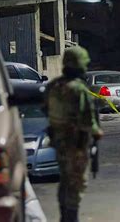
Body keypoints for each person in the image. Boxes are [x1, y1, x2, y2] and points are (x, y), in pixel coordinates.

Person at [44, 46, 104, 222]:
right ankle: (71, 218)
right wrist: (97, 132)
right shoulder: (78, 89)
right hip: (77, 144)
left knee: (65, 180)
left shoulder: (53, 86)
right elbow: (88, 120)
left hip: (59, 142)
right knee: (76, 183)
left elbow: (45, 110)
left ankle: (65, 216)